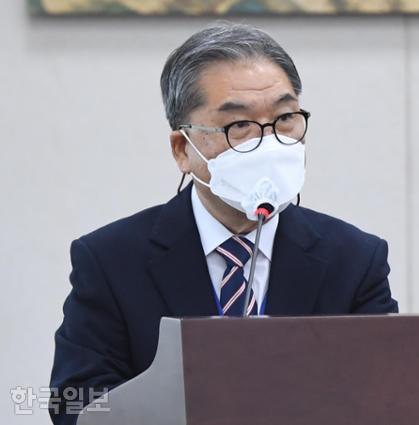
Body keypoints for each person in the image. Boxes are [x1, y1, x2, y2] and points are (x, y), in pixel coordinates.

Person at [49, 22, 398, 425]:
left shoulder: (355, 260)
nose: (268, 142)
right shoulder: (110, 260)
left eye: (285, 118)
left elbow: (386, 396)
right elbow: (73, 402)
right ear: (183, 148)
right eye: (239, 125)